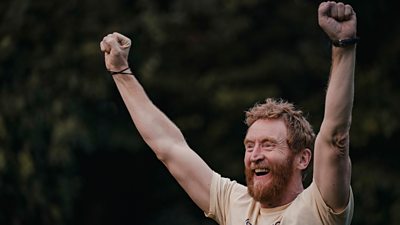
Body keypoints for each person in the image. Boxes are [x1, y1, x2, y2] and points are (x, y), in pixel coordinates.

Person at [99, 1, 357, 224]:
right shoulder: (234, 203)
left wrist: (343, 46)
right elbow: (167, 146)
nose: (255, 155)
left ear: (302, 159)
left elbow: (335, 139)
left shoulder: (321, 207)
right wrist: (121, 73)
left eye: (268, 145)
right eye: (249, 146)